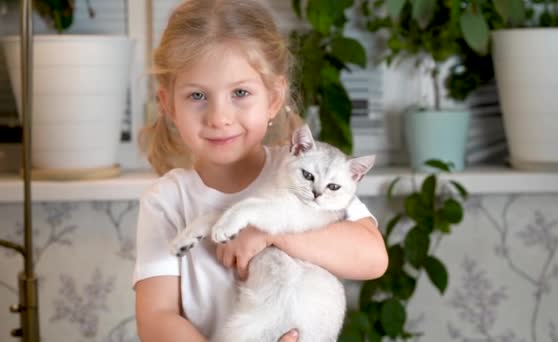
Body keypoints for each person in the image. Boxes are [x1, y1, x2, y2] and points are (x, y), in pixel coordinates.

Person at [133, 0, 389, 341]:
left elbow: (372, 258)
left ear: (273, 98)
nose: (219, 117)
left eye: (240, 92)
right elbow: (156, 318)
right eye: (197, 95)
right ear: (168, 105)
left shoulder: (302, 174)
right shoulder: (166, 200)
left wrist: (268, 232)